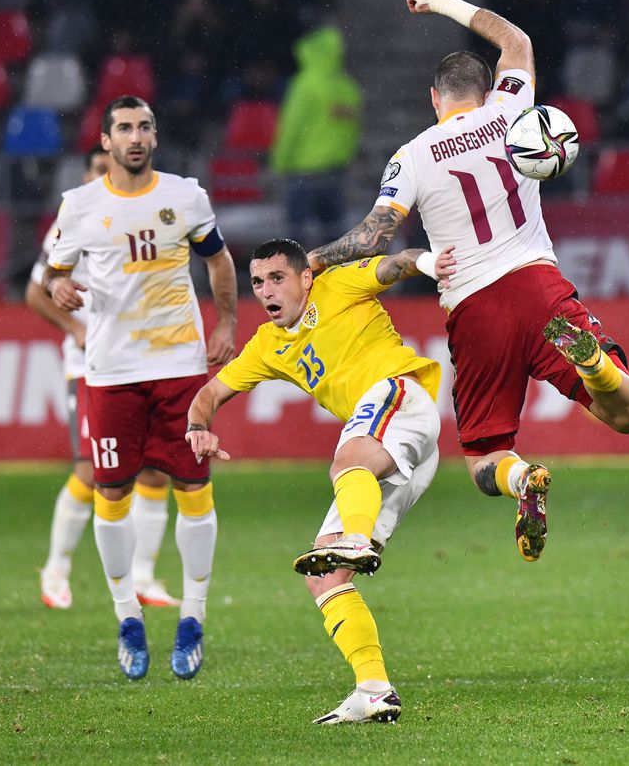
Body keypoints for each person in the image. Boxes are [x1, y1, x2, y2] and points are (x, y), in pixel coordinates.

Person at [308, 0, 629, 563]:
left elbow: (374, 236)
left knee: (484, 458)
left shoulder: (412, 155)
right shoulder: (513, 111)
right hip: (538, 284)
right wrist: (443, 1)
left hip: (473, 307)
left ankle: (523, 482)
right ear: (489, 88)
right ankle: (592, 360)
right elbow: (515, 39)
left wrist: (315, 259)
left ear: (434, 98)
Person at [185, 238, 455, 724]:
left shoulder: (337, 286)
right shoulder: (267, 346)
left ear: (304, 278)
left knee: (345, 461)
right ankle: (373, 689)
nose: (267, 291)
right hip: (392, 447)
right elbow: (209, 393)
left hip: (401, 397)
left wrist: (432, 263)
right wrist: (198, 428)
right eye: (258, 283)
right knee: (322, 576)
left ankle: (355, 538)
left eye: (277, 278)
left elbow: (397, 262)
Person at [42, 95, 238, 680]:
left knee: (194, 488)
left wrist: (226, 320)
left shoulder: (185, 196)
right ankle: (127, 617)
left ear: (155, 136)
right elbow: (55, 272)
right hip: (110, 373)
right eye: (124, 127)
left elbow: (219, 260)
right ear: (106, 141)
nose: (135, 136)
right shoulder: (77, 206)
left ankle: (193, 618)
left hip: (179, 368)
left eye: (145, 126)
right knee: (112, 494)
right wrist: (59, 289)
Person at [28, 145, 180, 611]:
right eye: (97, 168)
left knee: (156, 469)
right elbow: (37, 292)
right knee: (92, 473)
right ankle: (56, 568)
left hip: (143, 362)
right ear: (88, 172)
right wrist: (77, 330)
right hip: (91, 368)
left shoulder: (143, 216)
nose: (104, 175)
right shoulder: (72, 220)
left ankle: (144, 578)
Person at [269, 25, 362, 244]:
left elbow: (291, 128)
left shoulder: (305, 85)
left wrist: (279, 162)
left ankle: (296, 277)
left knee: (294, 240)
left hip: (301, 171)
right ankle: (333, 277)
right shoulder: (347, 87)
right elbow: (352, 130)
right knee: (333, 238)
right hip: (334, 172)